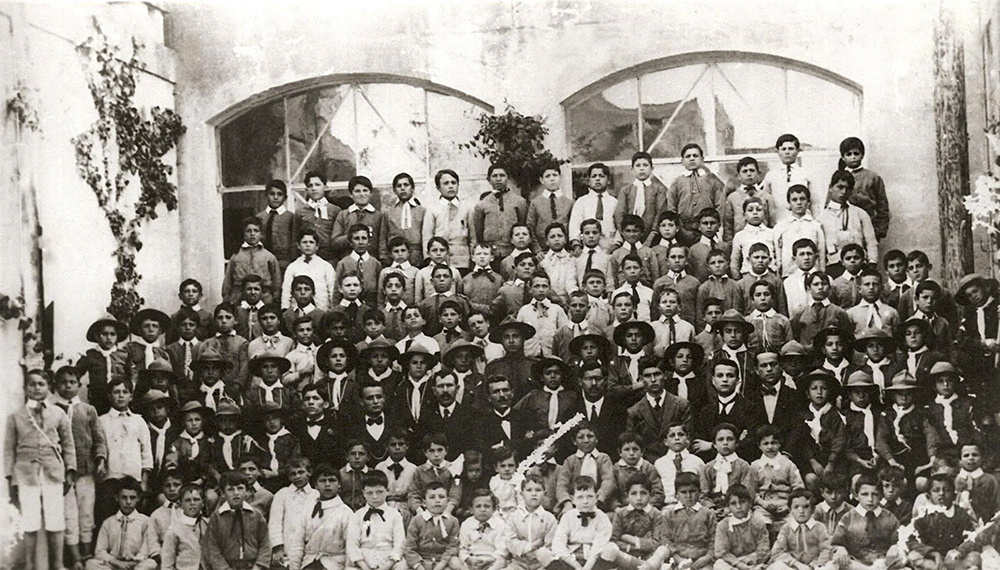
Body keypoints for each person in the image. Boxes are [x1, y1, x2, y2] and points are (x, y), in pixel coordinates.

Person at [6, 370, 77, 570]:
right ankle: (30, 565)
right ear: (25, 388)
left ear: (48, 387)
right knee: (30, 522)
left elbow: (68, 445)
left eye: (41, 384)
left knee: (56, 521)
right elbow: (9, 450)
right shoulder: (16, 416)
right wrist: (11, 480)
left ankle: (58, 563)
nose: (37, 388)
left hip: (52, 473)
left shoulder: (58, 413)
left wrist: (70, 471)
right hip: (26, 474)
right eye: (32, 384)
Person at [53, 365, 108, 566]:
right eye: (63, 382)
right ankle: (75, 558)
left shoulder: (87, 410)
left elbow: (98, 439)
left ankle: (87, 555)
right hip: (61, 473)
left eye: (72, 382)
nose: (68, 386)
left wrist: (100, 460)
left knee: (86, 513)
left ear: (79, 384)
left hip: (86, 471)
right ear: (56, 385)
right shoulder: (51, 410)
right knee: (69, 515)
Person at [96, 377, 152, 533]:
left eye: (125, 392)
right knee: (109, 518)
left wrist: (144, 481)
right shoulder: (102, 421)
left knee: (133, 519)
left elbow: (146, 452)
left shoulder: (138, 421)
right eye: (116, 392)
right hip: (111, 479)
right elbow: (99, 447)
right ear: (109, 396)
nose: (121, 396)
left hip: (133, 479)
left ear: (131, 396)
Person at [875, 371, 939, 489]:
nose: (904, 397)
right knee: (894, 482)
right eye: (900, 393)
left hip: (917, 458)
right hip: (894, 458)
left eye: (908, 393)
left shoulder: (920, 414)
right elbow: (880, 440)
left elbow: (931, 435)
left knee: (921, 482)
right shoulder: (887, 415)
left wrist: (932, 458)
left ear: (913, 395)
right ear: (893, 395)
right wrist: (892, 461)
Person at [285, 463, 353, 570]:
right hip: (308, 563)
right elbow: (298, 543)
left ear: (339, 484)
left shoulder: (346, 513)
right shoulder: (308, 509)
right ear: (315, 485)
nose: (327, 484)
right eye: (322, 481)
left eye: (332, 480)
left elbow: (351, 549)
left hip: (334, 564)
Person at [829, 474, 905, 570]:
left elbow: (901, 541)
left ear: (882, 496)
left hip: (883, 563)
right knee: (836, 562)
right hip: (856, 565)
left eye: (875, 494)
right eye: (864, 494)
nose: (870, 499)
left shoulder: (889, 517)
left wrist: (895, 547)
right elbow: (836, 543)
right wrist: (841, 548)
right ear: (856, 495)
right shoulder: (848, 518)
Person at [646, 472, 716, 570]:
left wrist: (706, 558)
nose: (688, 496)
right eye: (684, 492)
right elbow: (666, 539)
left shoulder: (708, 514)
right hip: (677, 559)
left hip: (702, 561)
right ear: (676, 495)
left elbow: (714, 540)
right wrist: (678, 559)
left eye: (692, 491)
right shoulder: (670, 515)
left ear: (699, 492)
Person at [625, 356, 691, 459]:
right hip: (647, 465)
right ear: (641, 379)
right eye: (647, 376)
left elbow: (688, 439)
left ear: (664, 376)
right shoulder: (634, 411)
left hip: (678, 461)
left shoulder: (681, 405)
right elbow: (632, 444)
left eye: (657, 374)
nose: (653, 380)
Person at [204, 471, 272, 570]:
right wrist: (223, 568)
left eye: (240, 488)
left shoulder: (256, 515)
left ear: (246, 491)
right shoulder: (217, 517)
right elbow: (212, 548)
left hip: (253, 566)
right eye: (230, 489)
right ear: (223, 493)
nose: (236, 493)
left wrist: (259, 566)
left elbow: (265, 543)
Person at [87, 476, 157, 570]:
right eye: (124, 497)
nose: (128, 502)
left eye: (132, 498)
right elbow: (100, 550)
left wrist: (135, 561)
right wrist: (116, 563)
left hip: (136, 565)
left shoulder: (145, 521)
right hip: (114, 564)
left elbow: (146, 547)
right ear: (116, 498)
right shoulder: (108, 522)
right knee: (91, 564)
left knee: (151, 563)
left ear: (138, 498)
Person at [818, 171, 877, 277]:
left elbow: (871, 241)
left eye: (848, 188)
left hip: (859, 265)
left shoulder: (860, 213)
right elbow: (820, 247)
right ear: (831, 187)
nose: (844, 192)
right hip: (834, 266)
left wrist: (872, 263)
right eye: (840, 187)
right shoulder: (821, 217)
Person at [598, 473, 662, 569]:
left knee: (663, 550)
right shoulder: (620, 514)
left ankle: (643, 566)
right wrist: (633, 546)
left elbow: (656, 543)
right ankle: (641, 566)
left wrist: (632, 540)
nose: (639, 498)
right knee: (609, 549)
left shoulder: (656, 515)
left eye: (643, 493)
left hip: (649, 556)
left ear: (650, 494)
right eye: (634, 493)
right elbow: (614, 540)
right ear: (627, 495)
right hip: (625, 556)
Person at [667, 144, 727, 245]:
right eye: (688, 156)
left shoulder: (713, 180)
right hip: (683, 231)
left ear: (702, 159)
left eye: (695, 156)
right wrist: (679, 228)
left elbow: (720, 206)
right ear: (682, 161)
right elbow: (671, 206)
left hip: (707, 230)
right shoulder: (677, 182)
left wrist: (713, 226)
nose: (692, 159)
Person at [347, 470, 407, 570]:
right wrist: (364, 566)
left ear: (387, 490)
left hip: (388, 560)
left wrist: (387, 566)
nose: (375, 497)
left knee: (402, 566)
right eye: (370, 493)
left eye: (379, 492)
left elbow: (399, 544)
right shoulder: (357, 516)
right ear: (363, 493)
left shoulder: (395, 515)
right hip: (364, 560)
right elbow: (352, 545)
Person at [551, 475, 613, 570]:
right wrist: (576, 566)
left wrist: (587, 568)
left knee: (611, 548)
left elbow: (599, 545)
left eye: (590, 496)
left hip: (593, 559)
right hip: (572, 558)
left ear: (596, 497)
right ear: (572, 499)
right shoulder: (568, 516)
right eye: (580, 497)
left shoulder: (602, 518)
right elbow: (559, 542)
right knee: (549, 554)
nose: (585, 501)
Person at [497, 473, 558, 570]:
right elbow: (510, 540)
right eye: (529, 490)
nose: (534, 494)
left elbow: (551, 545)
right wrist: (529, 547)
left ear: (544, 493)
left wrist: (537, 554)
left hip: (541, 565)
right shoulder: (514, 517)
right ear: (522, 494)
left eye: (538, 490)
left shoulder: (549, 519)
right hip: (518, 564)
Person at [750, 425, 804, 528]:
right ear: (759, 446)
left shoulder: (789, 465)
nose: (770, 447)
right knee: (759, 522)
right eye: (765, 443)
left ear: (780, 444)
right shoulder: (755, 466)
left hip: (785, 505)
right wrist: (762, 503)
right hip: (763, 505)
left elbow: (798, 488)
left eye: (774, 443)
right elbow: (751, 490)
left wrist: (789, 506)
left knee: (795, 523)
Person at [78, 313, 133, 415]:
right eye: (104, 334)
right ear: (97, 336)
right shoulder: (91, 356)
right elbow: (76, 373)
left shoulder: (123, 355)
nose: (109, 338)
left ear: (117, 336)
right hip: (98, 400)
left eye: (112, 334)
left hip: (119, 400)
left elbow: (131, 376)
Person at [269, 458, 319, 568]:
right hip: (288, 545)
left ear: (309, 472)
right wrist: (278, 547)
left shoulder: (316, 495)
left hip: (310, 546)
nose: (297, 476)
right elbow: (275, 523)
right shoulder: (282, 494)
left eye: (301, 472)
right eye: (293, 474)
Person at [556, 423, 616, 514]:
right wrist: (567, 503)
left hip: (599, 504)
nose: (586, 440)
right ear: (574, 441)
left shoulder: (603, 458)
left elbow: (608, 481)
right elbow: (562, 485)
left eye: (590, 436)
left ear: (596, 439)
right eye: (581, 437)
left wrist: (598, 500)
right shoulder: (570, 461)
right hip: (574, 504)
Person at [839, 137, 890, 241]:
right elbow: (830, 202)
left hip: (870, 225)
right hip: (846, 226)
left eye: (856, 153)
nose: (853, 157)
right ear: (843, 157)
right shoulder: (839, 178)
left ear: (862, 155)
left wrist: (880, 230)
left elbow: (882, 205)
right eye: (849, 154)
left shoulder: (873, 177)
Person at [768, 488, 833, 570]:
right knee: (777, 565)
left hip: (815, 567)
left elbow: (826, 549)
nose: (801, 511)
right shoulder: (787, 528)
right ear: (790, 510)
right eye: (796, 507)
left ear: (813, 509)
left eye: (806, 507)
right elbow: (777, 552)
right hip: (794, 567)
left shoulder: (819, 527)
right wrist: (795, 564)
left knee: (832, 565)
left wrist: (816, 564)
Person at [699, 423, 756, 514]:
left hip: (738, 508)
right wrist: (711, 509)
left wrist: (731, 508)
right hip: (713, 510)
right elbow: (703, 495)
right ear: (714, 444)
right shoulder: (708, 468)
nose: (725, 443)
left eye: (730, 439)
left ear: (737, 443)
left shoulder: (743, 466)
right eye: (720, 440)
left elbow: (748, 494)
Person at [222, 217, 281, 305]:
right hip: (239, 296)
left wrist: (275, 298)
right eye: (248, 231)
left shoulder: (269, 256)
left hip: (264, 296)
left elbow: (276, 279)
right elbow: (228, 279)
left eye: (256, 231)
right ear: (244, 233)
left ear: (261, 234)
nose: (252, 234)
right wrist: (226, 298)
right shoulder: (236, 256)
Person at [404, 482, 462, 570]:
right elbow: (410, 548)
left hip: (443, 562)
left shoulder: (452, 521)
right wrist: (419, 567)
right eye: (432, 497)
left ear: (447, 501)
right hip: (421, 562)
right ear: (424, 502)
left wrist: (441, 565)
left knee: (457, 564)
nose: (437, 500)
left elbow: (452, 547)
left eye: (441, 497)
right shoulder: (417, 520)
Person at [424, 169, 473, 271]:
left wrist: (473, 257)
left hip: (462, 260)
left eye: (453, 183)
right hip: (439, 259)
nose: (450, 186)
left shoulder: (466, 208)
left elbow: (473, 238)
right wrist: (428, 258)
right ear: (438, 187)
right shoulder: (433, 209)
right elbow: (427, 236)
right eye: (446, 183)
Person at [790, 272, 852, 352]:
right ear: (808, 289)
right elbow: (795, 335)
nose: (820, 287)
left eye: (824, 284)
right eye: (816, 284)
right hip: (808, 357)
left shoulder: (838, 312)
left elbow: (846, 336)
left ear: (829, 288)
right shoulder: (800, 312)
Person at [712, 484, 770, 570]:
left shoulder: (758, 522)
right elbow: (722, 552)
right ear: (728, 507)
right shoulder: (723, 525)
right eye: (733, 503)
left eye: (742, 502)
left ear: (749, 503)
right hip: (734, 564)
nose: (738, 507)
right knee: (719, 564)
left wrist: (749, 561)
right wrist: (738, 564)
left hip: (753, 563)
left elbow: (763, 549)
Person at [774, 185, 826, 277]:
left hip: (812, 274)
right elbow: (778, 252)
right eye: (794, 200)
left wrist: (822, 273)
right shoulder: (781, 226)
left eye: (802, 199)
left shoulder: (815, 226)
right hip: (789, 273)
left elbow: (821, 253)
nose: (799, 202)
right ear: (789, 203)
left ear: (808, 202)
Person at [282, 229, 338, 311]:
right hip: (298, 311)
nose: (308, 245)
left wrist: (333, 310)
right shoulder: (292, 267)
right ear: (298, 245)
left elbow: (332, 290)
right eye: (304, 242)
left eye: (311, 242)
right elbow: (286, 291)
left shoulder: (326, 266)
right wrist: (285, 309)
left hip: (322, 309)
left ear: (317, 246)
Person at [202, 302, 251, 392]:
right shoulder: (207, 343)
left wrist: (237, 385)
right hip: (211, 388)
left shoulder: (242, 343)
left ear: (236, 320)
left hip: (234, 389)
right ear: (215, 320)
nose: (224, 321)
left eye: (228, 317)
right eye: (220, 318)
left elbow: (244, 368)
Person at [569, 163, 618, 251]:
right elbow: (574, 226)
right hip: (586, 247)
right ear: (588, 181)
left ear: (608, 180)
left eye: (601, 176)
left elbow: (619, 227)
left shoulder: (614, 202)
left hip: (610, 247)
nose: (597, 179)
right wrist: (576, 245)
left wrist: (615, 246)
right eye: (594, 176)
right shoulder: (581, 202)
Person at [764, 134, 812, 224]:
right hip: (778, 223)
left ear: (797, 151)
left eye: (791, 149)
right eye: (783, 149)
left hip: (803, 222)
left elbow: (814, 202)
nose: (787, 152)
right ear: (778, 152)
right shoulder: (771, 175)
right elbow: (766, 202)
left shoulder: (805, 174)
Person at [725, 157, 775, 241]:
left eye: (752, 170)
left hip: (763, 240)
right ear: (738, 176)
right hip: (741, 241)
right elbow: (728, 225)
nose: (749, 174)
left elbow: (772, 222)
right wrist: (730, 243)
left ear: (758, 174)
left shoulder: (766, 196)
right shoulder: (732, 197)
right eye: (745, 171)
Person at [610, 434, 664, 509]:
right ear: (620, 452)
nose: (631, 453)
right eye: (627, 449)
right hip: (623, 510)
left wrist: (647, 507)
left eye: (635, 449)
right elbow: (612, 495)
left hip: (646, 508)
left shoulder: (648, 468)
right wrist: (618, 508)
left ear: (642, 451)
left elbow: (658, 492)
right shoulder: (615, 470)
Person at [527, 163, 574, 251]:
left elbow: (573, 227)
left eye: (555, 175)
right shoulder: (535, 203)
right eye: (547, 176)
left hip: (565, 250)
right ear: (542, 180)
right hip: (542, 250)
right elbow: (530, 228)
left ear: (561, 178)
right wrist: (537, 250)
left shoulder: (569, 203)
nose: (552, 179)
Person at [160, 484, 207, 570]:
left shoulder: (208, 524)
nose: (192, 503)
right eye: (187, 500)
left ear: (203, 503)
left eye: (196, 500)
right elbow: (167, 564)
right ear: (180, 503)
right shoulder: (174, 530)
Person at [336, 225, 384, 307]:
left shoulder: (376, 264)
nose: (361, 242)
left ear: (369, 241)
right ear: (350, 242)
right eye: (356, 238)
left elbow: (380, 292)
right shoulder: (343, 263)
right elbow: (336, 292)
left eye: (364, 238)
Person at [731, 197, 777, 279]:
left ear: (764, 213)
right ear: (744, 215)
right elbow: (735, 261)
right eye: (750, 210)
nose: (755, 213)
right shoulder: (740, 236)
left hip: (769, 275)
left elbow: (777, 256)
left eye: (759, 210)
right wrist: (737, 279)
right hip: (748, 276)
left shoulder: (772, 233)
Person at [457, 488, 504, 570]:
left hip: (492, 560)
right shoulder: (467, 524)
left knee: (501, 562)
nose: (482, 510)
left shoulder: (500, 524)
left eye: (487, 506)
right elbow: (462, 548)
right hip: (473, 559)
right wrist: (469, 559)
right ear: (471, 509)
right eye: (478, 506)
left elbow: (502, 548)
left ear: (494, 509)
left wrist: (491, 559)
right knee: (456, 563)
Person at [124, 307, 172, 381]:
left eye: (155, 326)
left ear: (160, 331)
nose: (151, 330)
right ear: (139, 330)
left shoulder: (163, 354)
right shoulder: (129, 349)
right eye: (146, 326)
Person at [650, 288, 695, 357]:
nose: (668, 305)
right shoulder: (653, 327)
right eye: (664, 302)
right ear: (658, 306)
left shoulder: (688, 327)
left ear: (679, 306)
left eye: (672, 302)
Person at [540, 223, 579, 301]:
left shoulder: (571, 259)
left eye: (560, 236)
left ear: (565, 239)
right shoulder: (543, 260)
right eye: (552, 237)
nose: (556, 239)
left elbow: (571, 281)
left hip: (568, 298)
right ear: (547, 241)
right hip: (547, 299)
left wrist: (574, 297)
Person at [687, 208, 727, 283]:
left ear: (719, 225)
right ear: (699, 226)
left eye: (712, 223)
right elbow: (690, 272)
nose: (709, 227)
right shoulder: (693, 249)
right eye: (705, 223)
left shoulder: (725, 246)